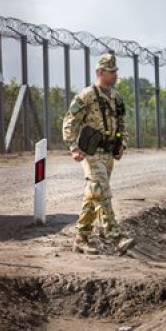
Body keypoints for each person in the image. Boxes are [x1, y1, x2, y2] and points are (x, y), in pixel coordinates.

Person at [62, 53, 136, 255]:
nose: (115, 76)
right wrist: (73, 147)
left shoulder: (116, 97)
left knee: (93, 194)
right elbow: (70, 121)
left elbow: (122, 124)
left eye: (115, 72)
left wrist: (123, 144)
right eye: (111, 72)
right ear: (99, 72)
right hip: (91, 153)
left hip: (108, 154)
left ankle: (81, 239)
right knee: (102, 191)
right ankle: (116, 237)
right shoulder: (87, 95)